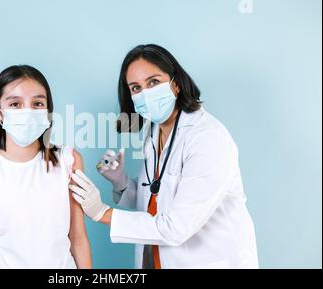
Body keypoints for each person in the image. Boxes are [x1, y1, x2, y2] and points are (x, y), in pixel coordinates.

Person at [69, 44, 258, 269]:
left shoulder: (207, 139)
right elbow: (156, 198)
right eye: (136, 88)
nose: (145, 93)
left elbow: (176, 227)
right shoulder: (156, 131)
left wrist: (103, 213)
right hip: (157, 261)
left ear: (175, 84)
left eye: (153, 82)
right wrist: (122, 183)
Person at [0, 65, 91, 269]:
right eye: (15, 104)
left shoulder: (69, 161)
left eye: (37, 103)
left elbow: (78, 239)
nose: (27, 112)